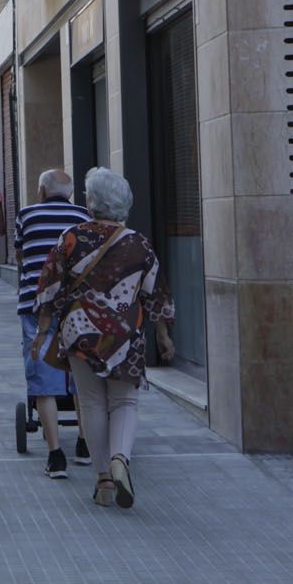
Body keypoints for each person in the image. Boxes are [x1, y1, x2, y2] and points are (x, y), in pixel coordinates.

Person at [33, 168, 175, 510]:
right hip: (125, 335)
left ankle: (104, 481)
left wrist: (41, 333)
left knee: (93, 402)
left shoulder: (71, 237)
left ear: (92, 201)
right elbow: (156, 294)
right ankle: (120, 459)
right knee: (124, 402)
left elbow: (49, 288)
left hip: (81, 332)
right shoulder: (138, 243)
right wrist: (164, 335)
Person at [14, 169, 92, 479]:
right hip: (77, 306)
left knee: (43, 376)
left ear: (42, 191)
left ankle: (55, 454)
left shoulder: (26, 215)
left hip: (37, 305)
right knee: (80, 373)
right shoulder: (84, 216)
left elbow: (20, 256)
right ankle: (85, 443)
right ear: (70, 194)